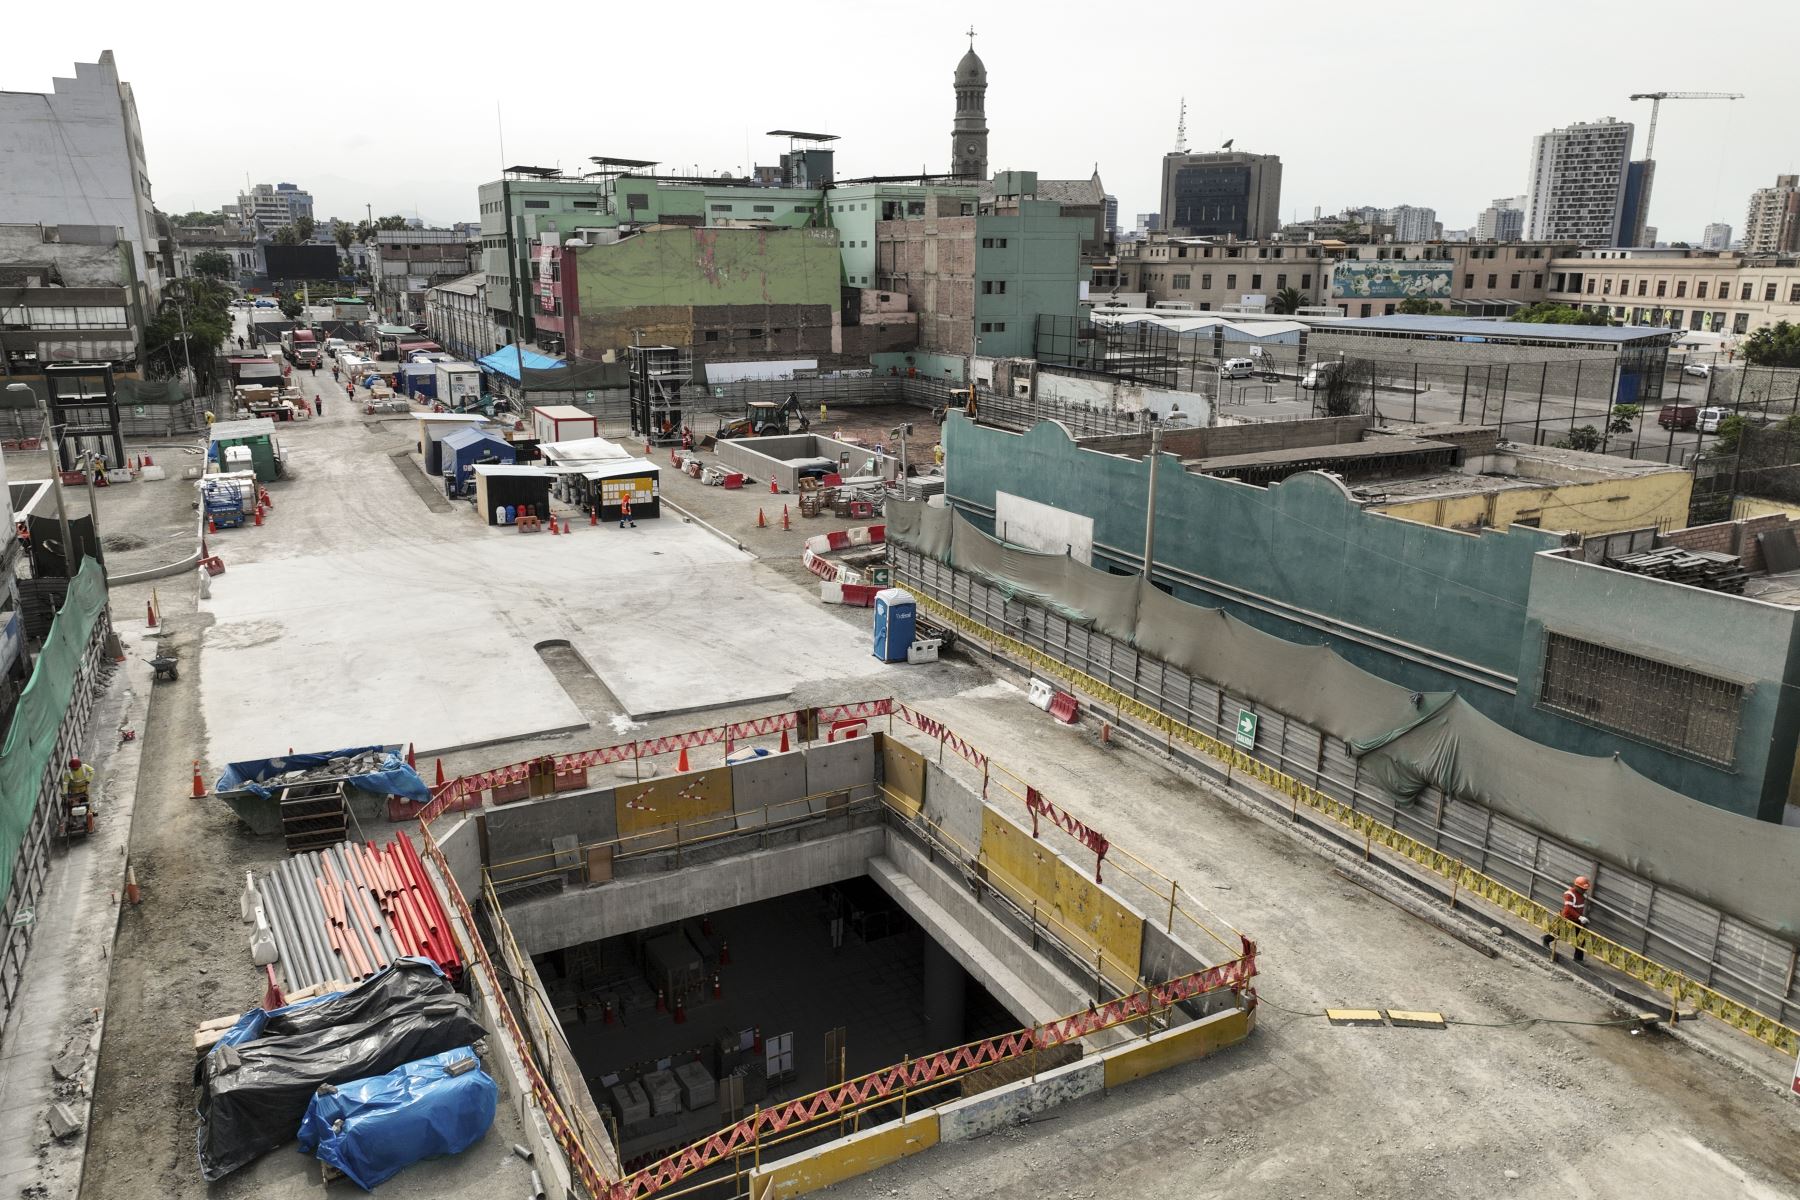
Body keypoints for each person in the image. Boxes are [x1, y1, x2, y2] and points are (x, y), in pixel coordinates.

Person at [1542, 874, 1590, 962]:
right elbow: (1568, 909)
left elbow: (1579, 908)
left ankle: (1578, 959)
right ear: (1577, 886)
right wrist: (1580, 917)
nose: (1584, 891)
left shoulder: (1582, 896)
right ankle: (1545, 939)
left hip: (1577, 921)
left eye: (1585, 889)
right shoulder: (1569, 894)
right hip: (1567, 919)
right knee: (1558, 933)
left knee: (1581, 939)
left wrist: (1581, 920)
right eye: (1583, 889)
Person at [63, 756, 95, 831]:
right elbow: (65, 783)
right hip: (74, 791)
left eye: (76, 768)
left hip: (84, 788)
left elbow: (92, 771)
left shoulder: (84, 767)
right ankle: (75, 820)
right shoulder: (68, 773)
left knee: (86, 801)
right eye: (74, 768)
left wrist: (88, 780)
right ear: (71, 767)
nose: (75, 769)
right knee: (74, 804)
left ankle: (89, 813)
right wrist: (65, 793)